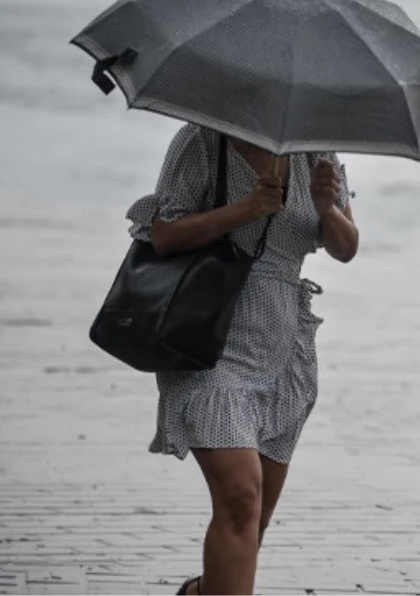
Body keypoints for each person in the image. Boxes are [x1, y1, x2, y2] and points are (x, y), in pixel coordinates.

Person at [125, 123, 358, 596]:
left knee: (252, 520)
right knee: (240, 496)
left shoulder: (317, 153)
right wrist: (246, 210)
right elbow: (164, 235)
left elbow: (346, 247)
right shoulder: (201, 140)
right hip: (207, 340)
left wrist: (326, 207)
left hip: (283, 350)